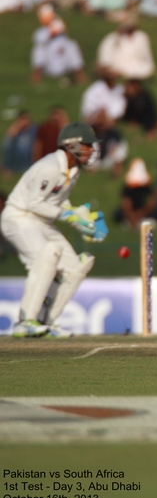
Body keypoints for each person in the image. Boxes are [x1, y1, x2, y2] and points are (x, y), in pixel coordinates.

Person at [1, 123, 105, 338]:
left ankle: (46, 322)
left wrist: (83, 223)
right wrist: (69, 217)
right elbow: (34, 204)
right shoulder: (50, 166)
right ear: (72, 145)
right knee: (49, 253)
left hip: (42, 221)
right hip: (19, 217)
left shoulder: (73, 170)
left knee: (77, 267)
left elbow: (60, 203)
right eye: (87, 145)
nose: (91, 150)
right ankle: (25, 321)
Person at [30, 19, 86, 85]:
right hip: (48, 67)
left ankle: (79, 74)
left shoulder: (63, 37)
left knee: (71, 45)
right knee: (39, 49)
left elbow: (64, 45)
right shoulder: (43, 32)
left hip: (63, 65)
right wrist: (50, 34)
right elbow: (38, 40)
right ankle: (37, 75)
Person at [115, 158, 157, 229]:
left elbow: (152, 203)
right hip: (132, 212)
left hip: (143, 211)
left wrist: (139, 214)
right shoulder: (127, 187)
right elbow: (126, 205)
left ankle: (134, 222)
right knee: (118, 213)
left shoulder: (147, 186)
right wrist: (133, 218)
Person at [2, 111, 36, 176]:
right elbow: (8, 143)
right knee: (7, 142)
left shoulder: (33, 129)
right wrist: (18, 127)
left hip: (29, 162)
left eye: (26, 118)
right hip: (16, 162)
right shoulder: (15, 130)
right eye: (22, 119)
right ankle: (7, 168)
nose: (25, 121)